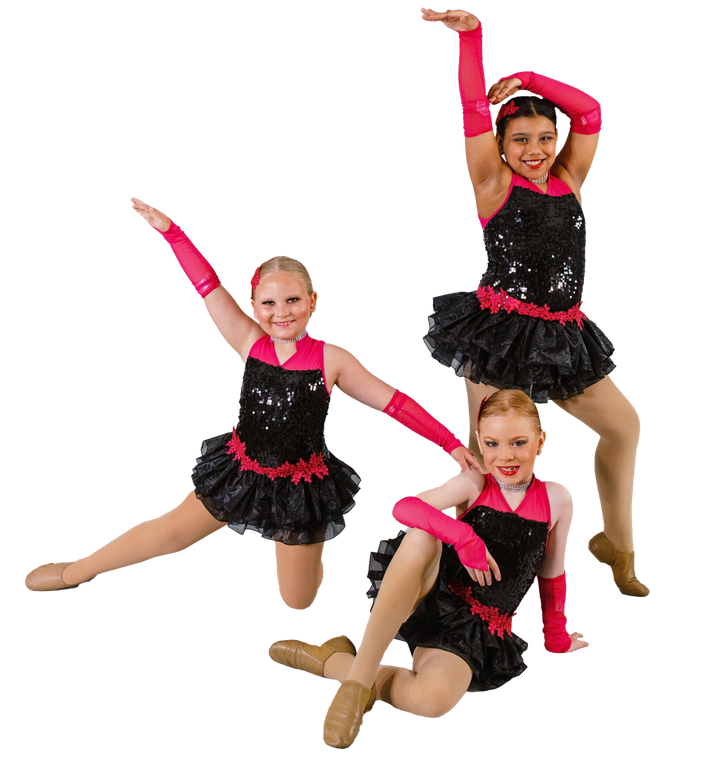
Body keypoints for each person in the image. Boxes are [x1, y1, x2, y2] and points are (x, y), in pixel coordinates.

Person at [22, 197, 481, 609]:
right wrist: (171, 232)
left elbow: (394, 403)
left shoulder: (330, 359)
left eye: (292, 300)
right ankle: (76, 570)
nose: (281, 312)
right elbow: (206, 283)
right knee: (165, 534)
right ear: (254, 305)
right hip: (240, 471)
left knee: (298, 602)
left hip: (298, 485)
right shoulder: (249, 340)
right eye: (268, 303)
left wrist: (451, 444)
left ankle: (309, 556)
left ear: (313, 302)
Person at [417, 8, 647, 597]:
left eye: (546, 138)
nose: (537, 149)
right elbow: (472, 109)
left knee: (624, 426)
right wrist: (472, 40)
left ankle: (617, 545)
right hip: (500, 335)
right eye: (521, 139)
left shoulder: (569, 177)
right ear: (500, 144)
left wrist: (527, 77)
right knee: (486, 467)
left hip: (562, 337)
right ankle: (457, 583)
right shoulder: (493, 183)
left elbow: (590, 110)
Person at [268, 389, 588, 749]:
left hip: (478, 632)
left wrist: (557, 639)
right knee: (422, 535)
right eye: (493, 443)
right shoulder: (474, 483)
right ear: (480, 442)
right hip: (435, 603)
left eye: (518, 442)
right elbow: (404, 508)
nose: (506, 455)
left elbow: (552, 571)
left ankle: (334, 662)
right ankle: (356, 686)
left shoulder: (557, 498)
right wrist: (464, 537)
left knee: (431, 701)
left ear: (541, 440)